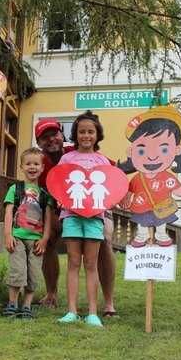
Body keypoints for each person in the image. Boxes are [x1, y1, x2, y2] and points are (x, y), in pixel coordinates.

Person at [35, 118, 119, 318]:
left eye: (54, 134)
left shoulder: (82, 151)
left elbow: (114, 174)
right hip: (63, 211)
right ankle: (52, 294)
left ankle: (108, 304)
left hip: (96, 208)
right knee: (50, 240)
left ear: (62, 135)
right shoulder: (41, 163)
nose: (51, 140)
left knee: (105, 239)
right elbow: (43, 194)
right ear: (39, 143)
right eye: (45, 138)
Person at [55, 110, 115, 327]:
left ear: (97, 135)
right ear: (75, 134)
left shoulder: (102, 160)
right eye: (82, 132)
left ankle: (92, 312)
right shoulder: (66, 158)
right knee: (72, 261)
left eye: (90, 132)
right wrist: (61, 198)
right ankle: (71, 310)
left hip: (94, 216)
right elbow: (58, 183)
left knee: (91, 263)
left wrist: (108, 202)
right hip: (71, 214)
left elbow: (109, 188)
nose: (86, 136)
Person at [117, 105, 181, 247]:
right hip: (141, 206)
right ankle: (142, 235)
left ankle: (161, 234)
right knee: (142, 222)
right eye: (142, 151)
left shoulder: (167, 177)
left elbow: (178, 191)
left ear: (177, 150)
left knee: (161, 222)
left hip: (161, 207)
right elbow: (130, 190)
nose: (153, 156)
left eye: (164, 149)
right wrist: (125, 198)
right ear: (131, 152)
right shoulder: (137, 178)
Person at [2, 147, 52, 319]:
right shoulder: (15, 189)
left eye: (36, 164)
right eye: (28, 164)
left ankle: (27, 306)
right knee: (17, 269)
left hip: (36, 240)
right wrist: (8, 234)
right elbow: (8, 212)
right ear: (21, 167)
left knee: (33, 272)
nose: (32, 167)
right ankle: (12, 303)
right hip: (17, 237)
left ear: (42, 167)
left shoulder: (45, 193)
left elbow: (47, 217)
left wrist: (45, 238)